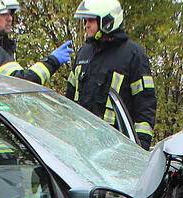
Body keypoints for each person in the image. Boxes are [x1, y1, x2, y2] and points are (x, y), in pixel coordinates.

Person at [66, 0, 157, 149]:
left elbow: (145, 106)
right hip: (80, 146)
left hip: (115, 149)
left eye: (91, 20)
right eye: (85, 20)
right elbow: (69, 99)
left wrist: (140, 147)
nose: (86, 25)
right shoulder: (84, 53)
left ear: (107, 21)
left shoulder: (133, 55)